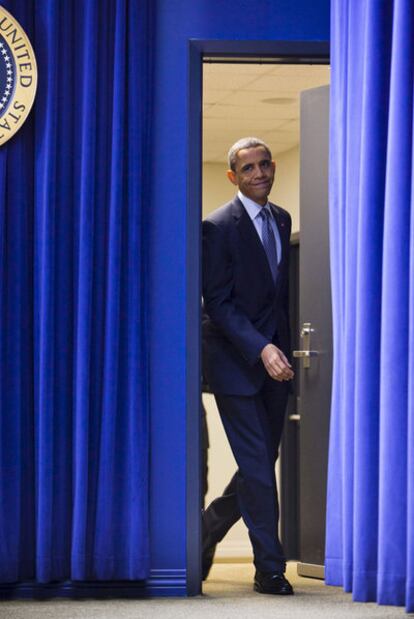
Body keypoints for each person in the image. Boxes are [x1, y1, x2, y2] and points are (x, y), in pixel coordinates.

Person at [201, 137, 294, 595]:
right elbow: (217, 303)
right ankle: (270, 569)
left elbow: (279, 301)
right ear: (233, 176)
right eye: (248, 168)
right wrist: (260, 348)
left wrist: (284, 350)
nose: (259, 174)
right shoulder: (217, 226)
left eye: (264, 165)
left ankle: (207, 528)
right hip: (235, 362)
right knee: (258, 466)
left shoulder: (282, 218)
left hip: (278, 366)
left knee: (261, 462)